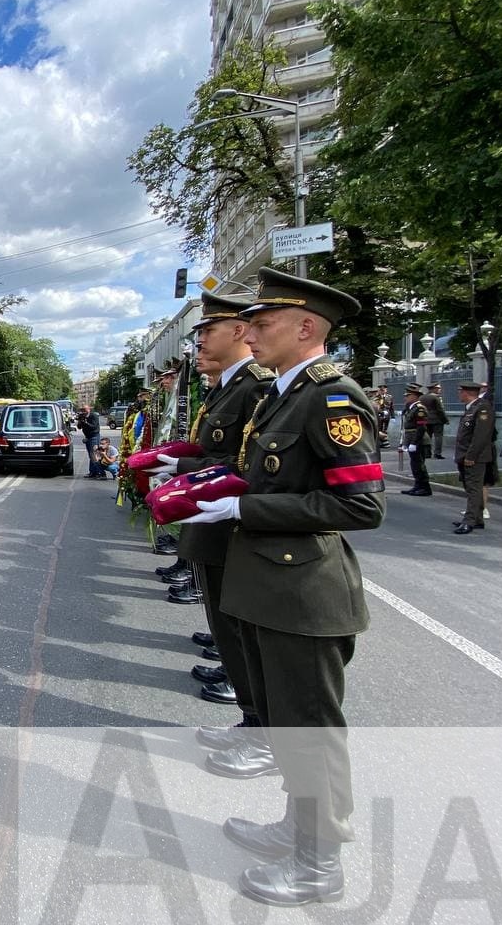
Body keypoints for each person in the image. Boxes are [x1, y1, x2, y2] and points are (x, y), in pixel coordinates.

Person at [173, 268, 385, 907]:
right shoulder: (281, 397)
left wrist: (243, 512)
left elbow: (360, 505)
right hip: (268, 587)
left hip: (304, 593)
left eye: (263, 324)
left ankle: (318, 866)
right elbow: (257, 476)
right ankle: (297, 828)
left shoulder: (332, 398)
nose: (251, 332)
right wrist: (216, 492)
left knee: (309, 729)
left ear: (307, 328)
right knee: (288, 726)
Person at [164, 291, 275, 768]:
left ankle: (256, 722)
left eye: (207, 330)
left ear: (237, 331)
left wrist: (196, 477)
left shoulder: (256, 385)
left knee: (240, 627)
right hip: (214, 517)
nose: (200, 340)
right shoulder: (226, 386)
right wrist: (184, 465)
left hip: (231, 521)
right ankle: (250, 717)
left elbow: (250, 464)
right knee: (226, 622)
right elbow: (215, 450)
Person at [453, 381, 495, 535]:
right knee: (470, 487)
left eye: (461, 391)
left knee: (474, 489)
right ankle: (477, 519)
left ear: (467, 393)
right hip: (465, 455)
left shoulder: (482, 408)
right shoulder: (471, 408)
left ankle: (469, 521)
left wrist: (471, 456)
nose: (459, 394)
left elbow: (481, 436)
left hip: (475, 457)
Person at [399, 383, 432, 496]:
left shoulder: (420, 409)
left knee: (420, 465)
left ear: (415, 396)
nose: (406, 397)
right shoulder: (411, 408)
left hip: (419, 441)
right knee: (415, 465)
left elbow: (421, 427)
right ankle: (417, 486)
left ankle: (425, 488)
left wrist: (414, 443)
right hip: (412, 440)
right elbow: (406, 427)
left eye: (408, 395)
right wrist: (405, 443)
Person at [422, 382, 448, 459]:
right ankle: (437, 453)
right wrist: (445, 420)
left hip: (426, 420)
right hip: (437, 420)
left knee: (427, 437)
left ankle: (427, 453)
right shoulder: (436, 398)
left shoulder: (422, 397)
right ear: (434, 389)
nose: (440, 390)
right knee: (438, 437)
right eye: (438, 388)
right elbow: (440, 410)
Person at [76, 405, 101, 478]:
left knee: (93, 454)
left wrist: (85, 422)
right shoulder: (82, 416)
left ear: (89, 409)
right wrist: (80, 421)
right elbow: (79, 427)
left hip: (94, 436)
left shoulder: (94, 416)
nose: (84, 412)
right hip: (88, 437)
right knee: (91, 455)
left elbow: (94, 426)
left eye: (85, 410)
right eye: (82, 410)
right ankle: (93, 472)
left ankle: (97, 472)